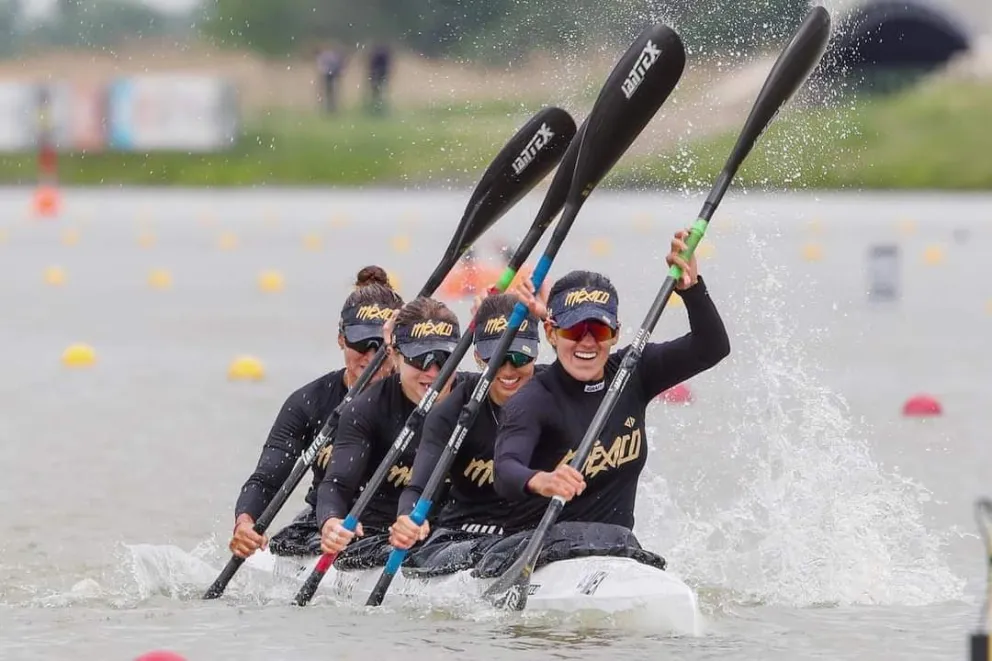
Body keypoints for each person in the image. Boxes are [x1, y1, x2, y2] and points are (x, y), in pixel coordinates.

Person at [482, 229, 731, 575]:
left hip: (615, 550)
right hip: (539, 555)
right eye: (573, 330)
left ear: (615, 333)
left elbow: (712, 347)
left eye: (598, 331)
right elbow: (505, 472)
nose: (586, 343)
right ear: (552, 333)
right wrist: (542, 480)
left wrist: (692, 290)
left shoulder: (634, 372)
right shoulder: (533, 401)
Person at [228, 266, 402, 560]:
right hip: (324, 526)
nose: (371, 355)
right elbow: (267, 479)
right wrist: (245, 524)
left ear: (398, 344)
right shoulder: (309, 402)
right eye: (360, 342)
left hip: (400, 527)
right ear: (341, 339)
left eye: (380, 344)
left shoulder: (428, 400)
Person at [387, 293, 544, 571]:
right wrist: (407, 520)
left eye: (519, 356)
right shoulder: (452, 412)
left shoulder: (556, 391)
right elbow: (419, 488)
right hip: (469, 533)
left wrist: (550, 316)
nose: (508, 369)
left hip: (537, 532)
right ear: (477, 356)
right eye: (495, 357)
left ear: (537, 350)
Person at [316, 296, 473, 568]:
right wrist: (331, 522)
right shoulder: (366, 409)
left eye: (444, 359)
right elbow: (337, 485)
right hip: (383, 532)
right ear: (395, 355)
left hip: (460, 532)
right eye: (420, 360)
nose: (433, 372)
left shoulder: (477, 399)